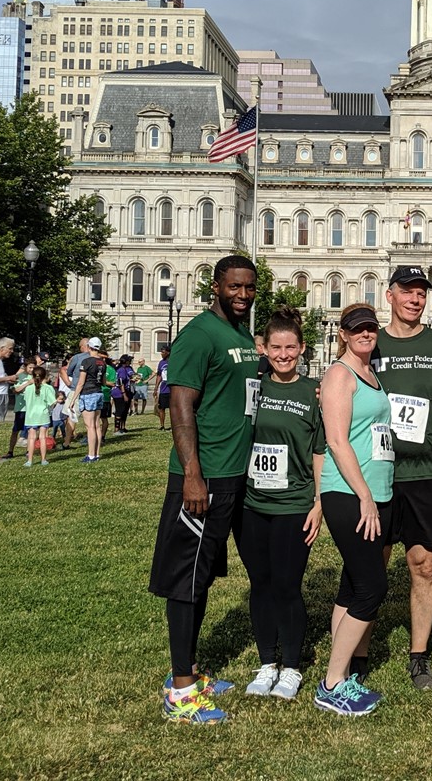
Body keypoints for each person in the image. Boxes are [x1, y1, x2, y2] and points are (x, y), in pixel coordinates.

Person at [148, 254, 260, 725]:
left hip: (235, 475)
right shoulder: (197, 335)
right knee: (185, 579)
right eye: (233, 287)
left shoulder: (238, 335)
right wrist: (192, 473)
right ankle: (180, 688)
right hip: (204, 476)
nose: (242, 295)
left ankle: (192, 668)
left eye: (249, 287)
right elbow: (181, 405)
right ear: (215, 286)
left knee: (203, 577)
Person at [368, 265, 432, 690]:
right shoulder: (369, 342)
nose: (416, 300)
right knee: (372, 563)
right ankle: (360, 651)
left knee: (424, 564)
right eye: (407, 292)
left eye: (422, 293)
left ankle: (419, 656)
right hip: (378, 471)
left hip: (427, 471)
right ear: (390, 295)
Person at [240, 306, 326, 702]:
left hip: (294, 502)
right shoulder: (254, 387)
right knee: (260, 584)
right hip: (253, 502)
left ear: (302, 348)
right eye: (276, 347)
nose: (284, 355)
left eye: (291, 347)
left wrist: (319, 502)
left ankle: (291, 666)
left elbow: (320, 451)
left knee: (287, 585)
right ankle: (266, 660)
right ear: (264, 348)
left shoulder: (314, 392)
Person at [314, 303, 393, 717]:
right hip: (349, 494)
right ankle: (330, 683)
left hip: (375, 491)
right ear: (343, 333)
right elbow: (338, 441)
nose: (365, 334)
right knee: (372, 587)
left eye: (370, 328)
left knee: (351, 585)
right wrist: (363, 493)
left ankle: (341, 674)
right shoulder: (339, 375)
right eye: (356, 329)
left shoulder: (370, 373)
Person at [67, 337, 109, 463]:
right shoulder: (103, 362)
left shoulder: (86, 362)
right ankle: (96, 454)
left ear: (89, 347)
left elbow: (80, 382)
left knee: (89, 426)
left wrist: (73, 399)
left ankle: (90, 455)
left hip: (87, 393)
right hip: (98, 393)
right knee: (96, 425)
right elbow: (103, 382)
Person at [0, 338, 21, 462]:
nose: (11, 351)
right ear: (1, 348)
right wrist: (8, 378)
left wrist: (8, 379)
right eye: (10, 348)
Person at [23, 365, 56, 467]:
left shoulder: (28, 389)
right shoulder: (48, 388)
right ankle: (43, 459)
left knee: (31, 438)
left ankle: (29, 460)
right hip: (43, 414)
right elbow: (52, 402)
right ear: (44, 376)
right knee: (42, 438)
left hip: (30, 415)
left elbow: (26, 400)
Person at [63, 338, 90, 449]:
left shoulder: (78, 357)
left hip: (76, 390)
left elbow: (68, 371)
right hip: (91, 390)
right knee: (90, 418)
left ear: (84, 346)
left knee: (71, 416)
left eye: (80, 346)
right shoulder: (98, 358)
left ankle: (67, 442)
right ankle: (91, 439)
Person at [155, 346, 171, 431]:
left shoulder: (174, 361)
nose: (161, 354)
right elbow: (159, 375)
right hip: (164, 388)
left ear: (168, 352)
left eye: (163, 352)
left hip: (172, 389)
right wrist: (156, 387)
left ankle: (174, 425)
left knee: (173, 408)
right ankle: (162, 425)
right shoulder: (161, 363)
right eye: (161, 352)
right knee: (161, 408)